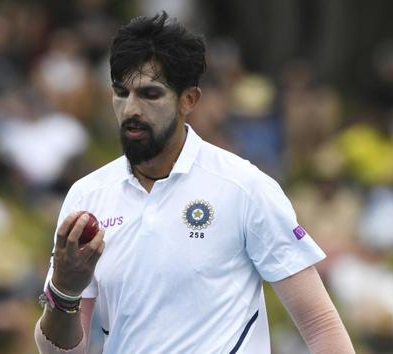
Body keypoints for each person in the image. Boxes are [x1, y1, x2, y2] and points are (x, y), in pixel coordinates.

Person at [35, 12, 355, 354]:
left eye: (150, 94)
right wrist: (64, 292)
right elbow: (60, 352)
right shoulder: (88, 196)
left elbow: (321, 326)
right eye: (121, 92)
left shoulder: (244, 187)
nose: (131, 109)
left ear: (189, 100)